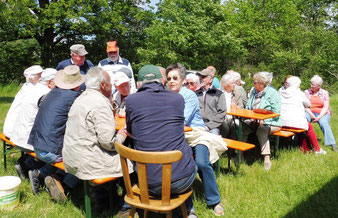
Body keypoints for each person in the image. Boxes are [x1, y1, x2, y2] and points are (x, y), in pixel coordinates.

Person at [125, 65, 197, 217]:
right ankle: (188, 211)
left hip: (148, 184)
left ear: (139, 84)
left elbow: (129, 131)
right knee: (187, 157)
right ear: (162, 80)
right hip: (182, 181)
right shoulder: (177, 98)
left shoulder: (131, 100)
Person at [62, 67, 134, 213]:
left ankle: (104, 195)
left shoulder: (81, 98)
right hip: (88, 162)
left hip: (72, 157)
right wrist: (122, 133)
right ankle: (128, 203)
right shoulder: (99, 103)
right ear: (102, 85)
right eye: (109, 83)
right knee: (132, 162)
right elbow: (108, 143)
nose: (112, 86)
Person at [166, 63, 226, 216]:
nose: (172, 81)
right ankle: (187, 206)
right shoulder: (166, 95)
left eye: (175, 78)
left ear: (182, 80)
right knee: (179, 165)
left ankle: (214, 200)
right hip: (176, 135)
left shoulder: (189, 95)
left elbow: (183, 119)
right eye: (169, 78)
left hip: (196, 133)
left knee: (201, 162)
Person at [27, 65, 85, 201]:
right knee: (84, 159)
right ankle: (64, 185)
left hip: (36, 145)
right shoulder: (74, 98)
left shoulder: (52, 93)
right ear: (77, 84)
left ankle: (40, 173)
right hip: (50, 151)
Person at [4, 66, 54, 179]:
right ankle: (33, 168)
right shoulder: (45, 93)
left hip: (15, 132)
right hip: (25, 139)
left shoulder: (31, 88)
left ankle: (24, 162)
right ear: (50, 81)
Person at [242, 72, 282, 170]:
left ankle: (266, 158)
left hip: (272, 122)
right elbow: (248, 107)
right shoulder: (253, 92)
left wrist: (265, 120)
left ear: (262, 83)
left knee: (262, 129)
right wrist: (250, 117)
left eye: (255, 82)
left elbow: (276, 112)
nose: (253, 84)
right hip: (254, 121)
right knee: (242, 128)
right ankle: (240, 155)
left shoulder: (273, 93)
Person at [279, 76, 326, 154]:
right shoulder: (300, 93)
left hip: (281, 123)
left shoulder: (281, 92)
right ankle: (317, 149)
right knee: (308, 126)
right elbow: (308, 104)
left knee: (303, 125)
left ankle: (305, 148)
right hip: (294, 123)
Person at [304, 75, 337, 152]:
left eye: (313, 84)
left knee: (324, 123)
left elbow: (326, 107)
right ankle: (306, 142)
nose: (311, 86)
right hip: (309, 111)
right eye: (311, 83)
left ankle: (332, 144)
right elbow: (305, 106)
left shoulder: (324, 93)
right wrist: (312, 115)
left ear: (319, 86)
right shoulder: (306, 92)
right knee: (304, 121)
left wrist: (319, 117)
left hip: (322, 112)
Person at [196, 68, 226, 135]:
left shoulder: (219, 94)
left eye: (203, 77)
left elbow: (222, 113)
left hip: (213, 128)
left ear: (210, 79)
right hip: (196, 126)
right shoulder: (196, 93)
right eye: (200, 76)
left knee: (212, 140)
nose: (200, 78)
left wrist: (208, 126)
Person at [220, 73, 241, 140]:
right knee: (223, 127)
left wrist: (237, 108)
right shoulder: (219, 94)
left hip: (233, 118)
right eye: (232, 83)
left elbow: (242, 107)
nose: (234, 85)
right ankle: (224, 146)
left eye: (234, 83)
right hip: (222, 118)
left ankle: (231, 150)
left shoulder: (236, 94)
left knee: (235, 126)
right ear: (226, 85)